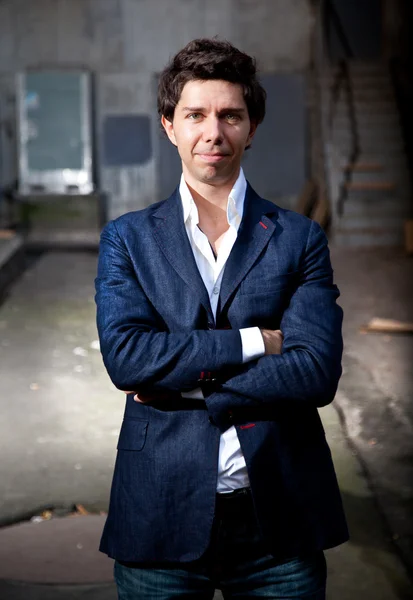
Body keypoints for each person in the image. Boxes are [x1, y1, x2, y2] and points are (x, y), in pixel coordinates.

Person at [95, 38, 348, 599]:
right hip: (158, 515)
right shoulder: (127, 239)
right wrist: (257, 340)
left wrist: (185, 387)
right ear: (169, 126)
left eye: (231, 115)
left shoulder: (298, 237)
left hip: (277, 522)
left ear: (251, 126)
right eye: (196, 115)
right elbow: (128, 359)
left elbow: (316, 372)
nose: (214, 132)